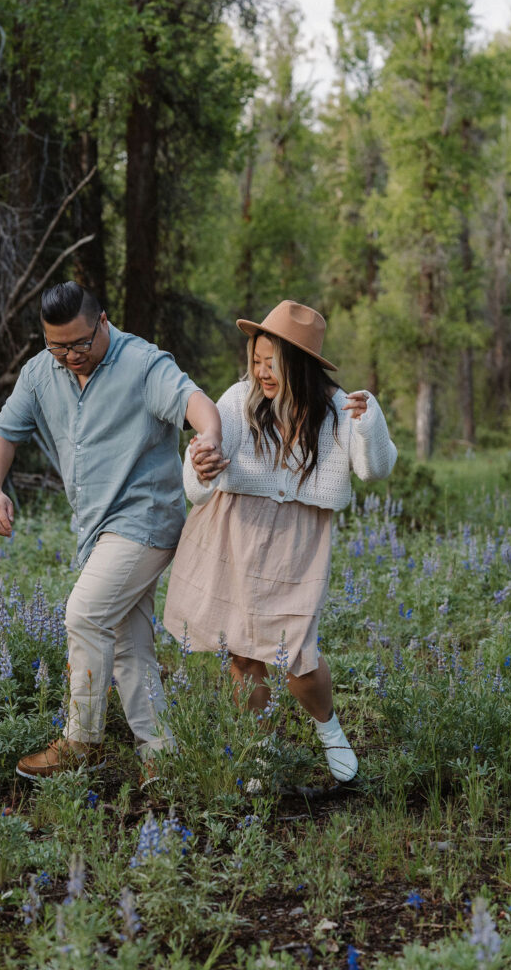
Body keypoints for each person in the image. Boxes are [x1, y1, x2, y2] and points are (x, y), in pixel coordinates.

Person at [0, 281, 225, 779]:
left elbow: (194, 402)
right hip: (96, 528)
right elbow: (1, 435)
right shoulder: (40, 372)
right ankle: (162, 753)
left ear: (104, 322)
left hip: (147, 519)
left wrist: (210, 437)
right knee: (129, 640)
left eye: (79, 343)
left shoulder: (142, 363)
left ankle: (82, 742)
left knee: (85, 614)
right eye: (57, 345)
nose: (70, 355)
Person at [163, 299, 397, 783]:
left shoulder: (335, 409)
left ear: (299, 364)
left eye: (273, 363)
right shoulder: (237, 399)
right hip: (235, 530)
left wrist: (369, 421)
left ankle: (330, 730)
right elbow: (196, 482)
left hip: (296, 540)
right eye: (257, 360)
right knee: (243, 651)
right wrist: (200, 464)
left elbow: (374, 469)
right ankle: (261, 748)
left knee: (297, 655)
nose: (262, 372)